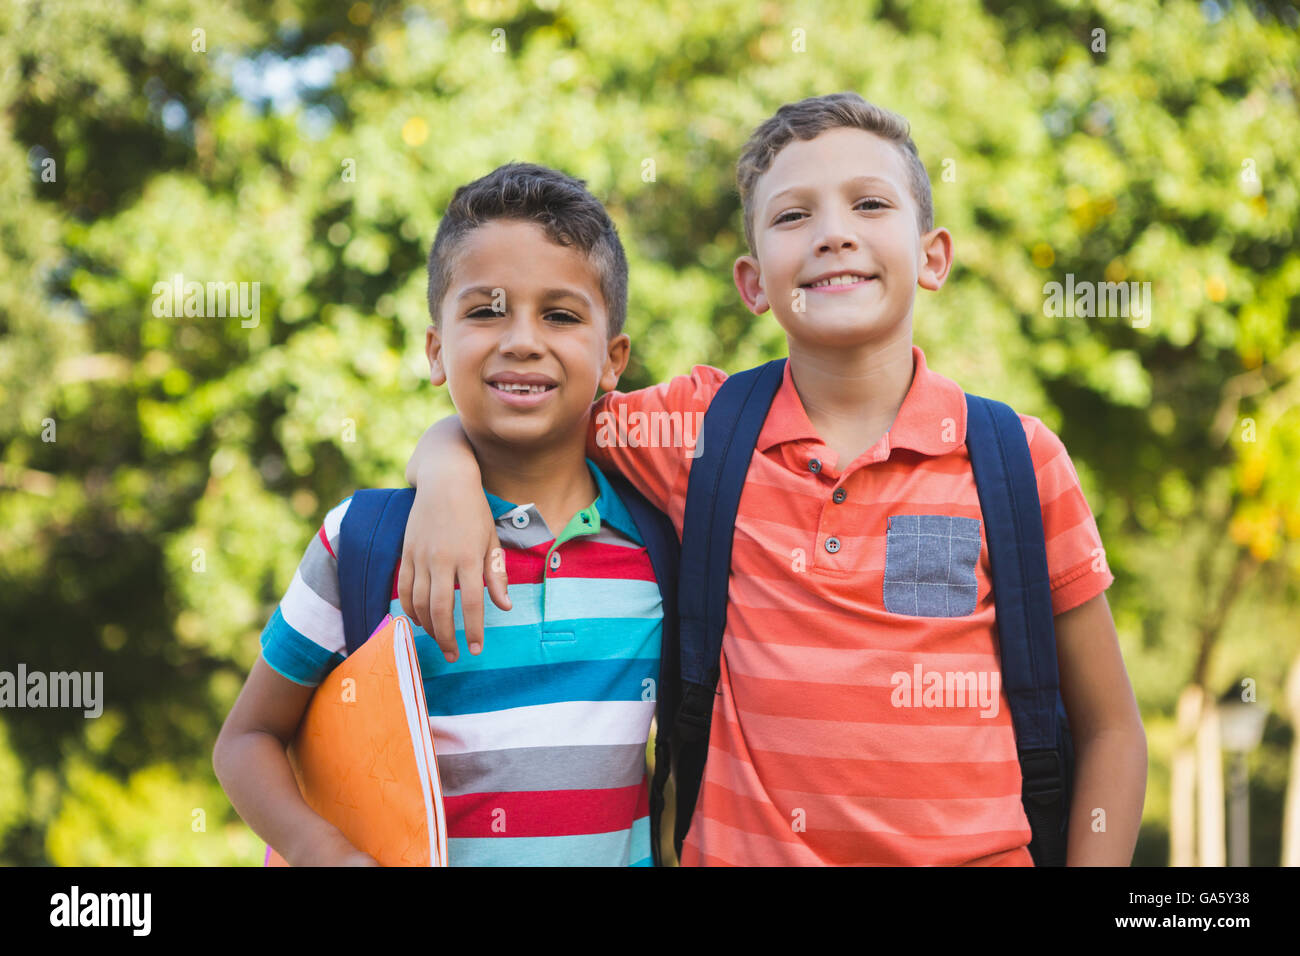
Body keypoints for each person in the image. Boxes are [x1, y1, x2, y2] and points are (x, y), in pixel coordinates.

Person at [400, 93, 1148, 866]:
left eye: (869, 203)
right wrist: (446, 467)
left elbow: (1111, 731)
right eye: (793, 217)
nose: (833, 234)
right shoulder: (696, 430)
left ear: (933, 255)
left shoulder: (1016, 461)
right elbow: (529, 410)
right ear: (754, 283)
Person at [214, 162, 674, 866]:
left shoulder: (661, 545)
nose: (521, 338)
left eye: (560, 314)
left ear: (613, 360)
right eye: (486, 310)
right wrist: (321, 851)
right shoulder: (363, 543)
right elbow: (246, 741)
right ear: (436, 349)